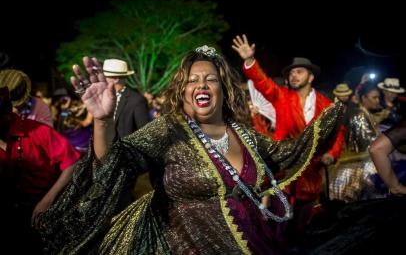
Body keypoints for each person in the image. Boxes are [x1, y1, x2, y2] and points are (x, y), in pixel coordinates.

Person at [38, 46, 344, 254]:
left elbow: (287, 153)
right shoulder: (167, 130)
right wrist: (102, 121)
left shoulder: (245, 134)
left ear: (223, 90)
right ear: (182, 90)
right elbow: (115, 163)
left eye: (210, 79)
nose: (202, 85)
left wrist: (331, 119)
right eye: (192, 80)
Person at [232, 34, 344, 245]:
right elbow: (262, 82)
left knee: (301, 225)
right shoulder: (281, 96)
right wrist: (249, 60)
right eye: (291, 72)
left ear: (310, 77)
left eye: (299, 72)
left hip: (310, 173)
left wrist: (331, 153)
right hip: (282, 172)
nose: (293, 75)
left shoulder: (325, 104)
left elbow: (338, 132)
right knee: (277, 220)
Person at [0, 87, 80, 254]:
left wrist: (48, 200)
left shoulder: (39, 131)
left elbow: (72, 162)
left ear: (7, 112)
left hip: (41, 218)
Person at [101, 58, 150, 138]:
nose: (101, 80)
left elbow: (144, 133)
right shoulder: (102, 98)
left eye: (104, 77)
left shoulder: (136, 100)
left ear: (115, 79)